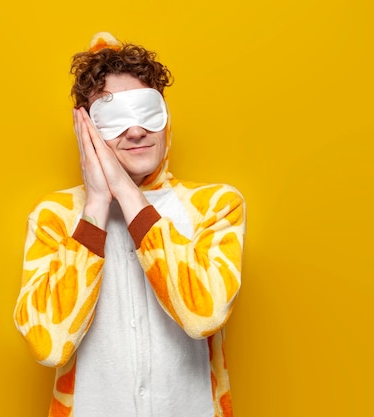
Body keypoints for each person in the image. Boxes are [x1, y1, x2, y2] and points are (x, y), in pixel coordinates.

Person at [14, 32, 246, 417]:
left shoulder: (216, 206)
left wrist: (124, 189)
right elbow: (48, 345)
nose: (135, 131)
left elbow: (202, 315)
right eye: (114, 119)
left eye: (146, 112)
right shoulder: (54, 217)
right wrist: (98, 203)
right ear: (86, 129)